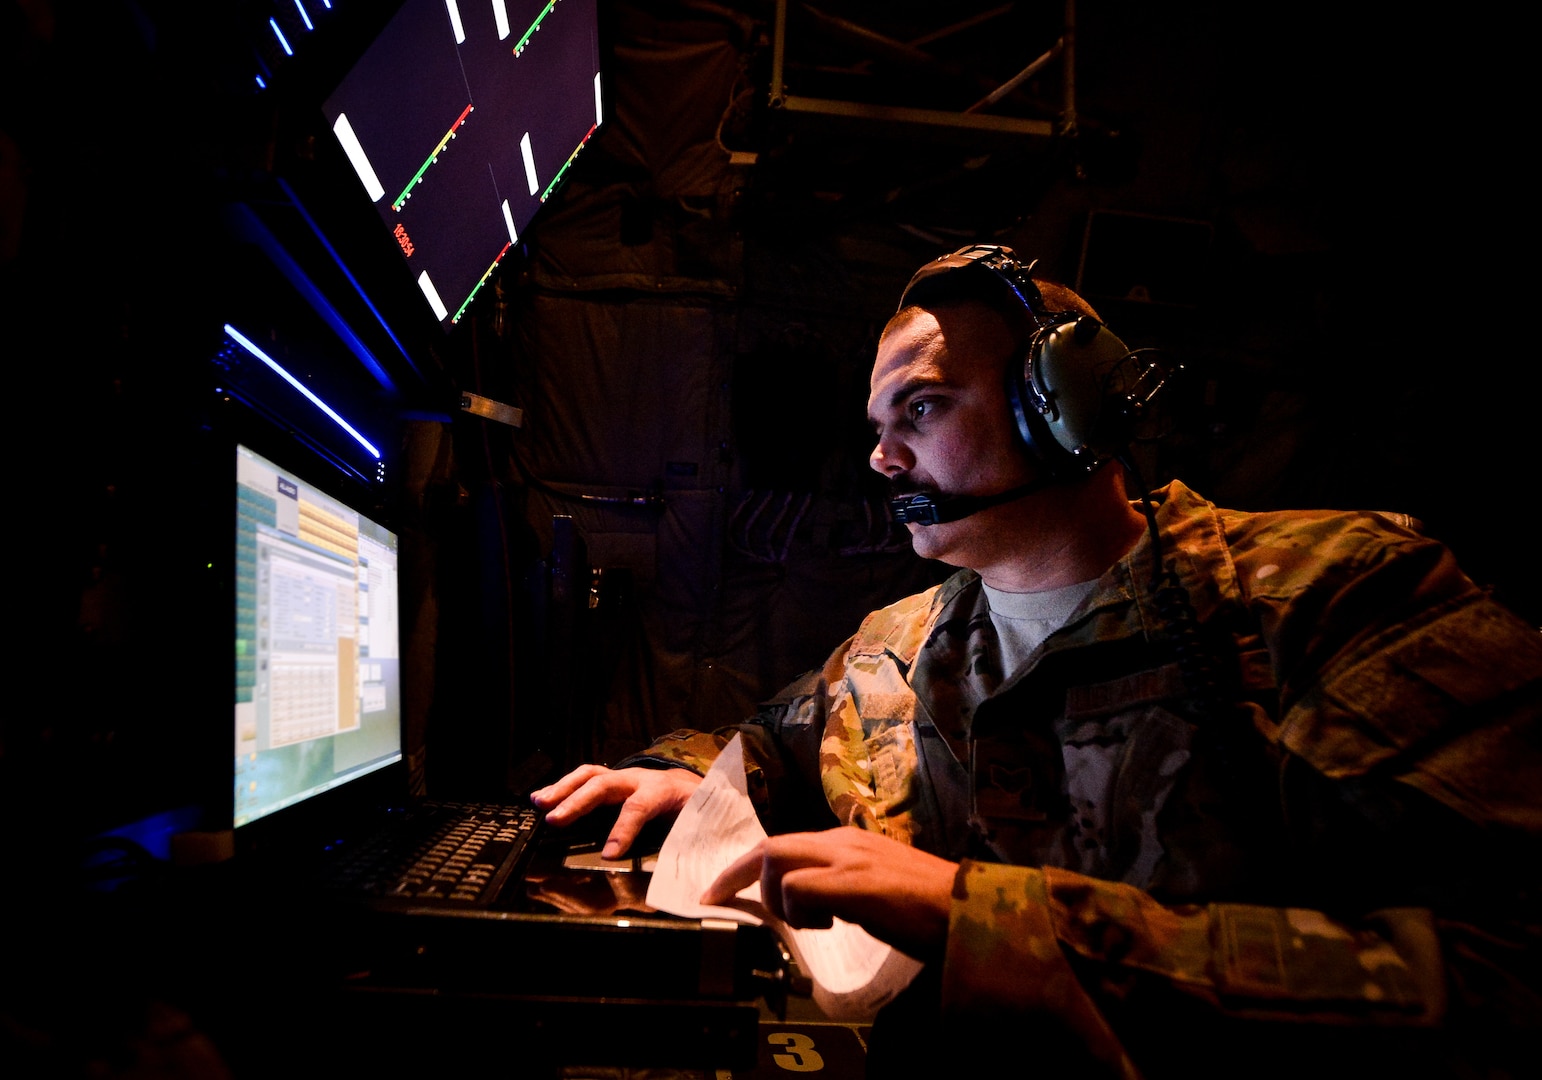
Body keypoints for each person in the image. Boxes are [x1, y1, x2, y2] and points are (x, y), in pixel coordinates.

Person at [530, 245, 1541, 1078]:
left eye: (919, 411)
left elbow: (1502, 973)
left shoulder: (1343, 595)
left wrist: (987, 919)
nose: (883, 460)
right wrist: (668, 775)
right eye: (876, 430)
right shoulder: (891, 645)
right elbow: (762, 742)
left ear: (1067, 404)